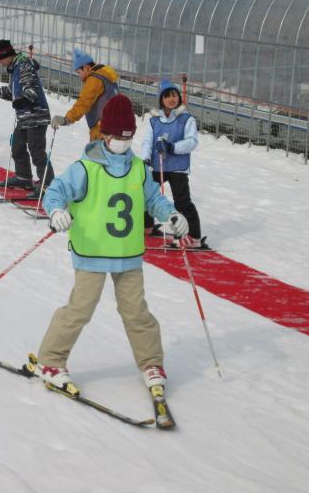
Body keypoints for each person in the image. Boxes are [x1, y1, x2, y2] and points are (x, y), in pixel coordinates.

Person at [34, 94, 189, 395]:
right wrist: (56, 211)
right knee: (79, 310)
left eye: (128, 137)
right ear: (105, 134)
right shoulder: (86, 167)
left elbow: (153, 199)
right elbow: (55, 191)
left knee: (136, 312)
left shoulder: (138, 168)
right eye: (118, 136)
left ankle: (151, 362)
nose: (123, 142)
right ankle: (50, 360)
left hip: (128, 255)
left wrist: (171, 215)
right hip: (91, 252)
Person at [0, 39, 54, 200]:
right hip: (25, 116)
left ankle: (48, 186)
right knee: (17, 146)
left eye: (0, 59)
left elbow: (31, 89)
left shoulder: (24, 65)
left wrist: (24, 100)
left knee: (37, 151)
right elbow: (12, 91)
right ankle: (24, 177)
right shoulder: (15, 67)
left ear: (6, 54)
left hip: (36, 114)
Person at [139, 79, 207, 248]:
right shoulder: (154, 120)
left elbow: (192, 141)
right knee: (147, 195)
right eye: (167, 96)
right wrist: (146, 158)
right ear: (161, 99)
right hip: (158, 165)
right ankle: (147, 226)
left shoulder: (186, 119)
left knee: (182, 202)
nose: (171, 99)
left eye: (174, 95)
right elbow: (147, 141)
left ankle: (194, 236)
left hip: (177, 167)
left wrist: (172, 147)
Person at [51, 48, 118, 141]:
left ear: (86, 67)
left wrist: (67, 119)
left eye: (79, 72)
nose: (79, 77)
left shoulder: (94, 79)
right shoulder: (106, 77)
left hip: (102, 131)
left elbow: (84, 103)